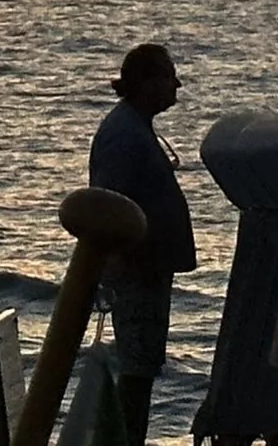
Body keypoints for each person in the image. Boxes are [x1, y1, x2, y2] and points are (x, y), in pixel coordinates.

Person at [88, 42, 197, 445]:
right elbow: (109, 205)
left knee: (143, 367)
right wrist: (119, 264)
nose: (178, 84)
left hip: (145, 270)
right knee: (137, 368)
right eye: (170, 75)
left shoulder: (133, 127)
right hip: (135, 273)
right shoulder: (124, 135)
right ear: (148, 82)